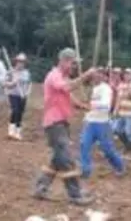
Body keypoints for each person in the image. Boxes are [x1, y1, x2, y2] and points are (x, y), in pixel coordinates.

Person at [32, 48, 97, 206]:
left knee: (57, 159)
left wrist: (82, 106)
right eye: (73, 63)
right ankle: (75, 195)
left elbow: (68, 95)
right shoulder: (54, 76)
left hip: (60, 122)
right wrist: (86, 76)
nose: (74, 67)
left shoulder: (63, 77)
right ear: (64, 61)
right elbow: (67, 88)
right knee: (66, 159)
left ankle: (40, 188)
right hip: (55, 123)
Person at [79, 69, 125, 179]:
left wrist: (90, 105)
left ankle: (119, 166)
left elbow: (106, 106)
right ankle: (85, 169)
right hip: (91, 123)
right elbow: (91, 108)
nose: (96, 77)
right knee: (84, 144)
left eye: (100, 75)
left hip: (102, 124)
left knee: (107, 149)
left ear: (105, 77)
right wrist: (86, 117)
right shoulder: (94, 89)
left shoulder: (106, 89)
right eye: (95, 75)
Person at [4, 53, 31, 140]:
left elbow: (29, 84)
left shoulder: (27, 73)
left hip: (23, 95)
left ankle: (18, 132)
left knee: (20, 113)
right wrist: (12, 83)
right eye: (19, 62)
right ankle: (11, 131)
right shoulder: (11, 71)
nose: (21, 64)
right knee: (15, 110)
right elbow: (5, 83)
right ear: (16, 62)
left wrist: (27, 93)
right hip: (13, 94)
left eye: (22, 62)